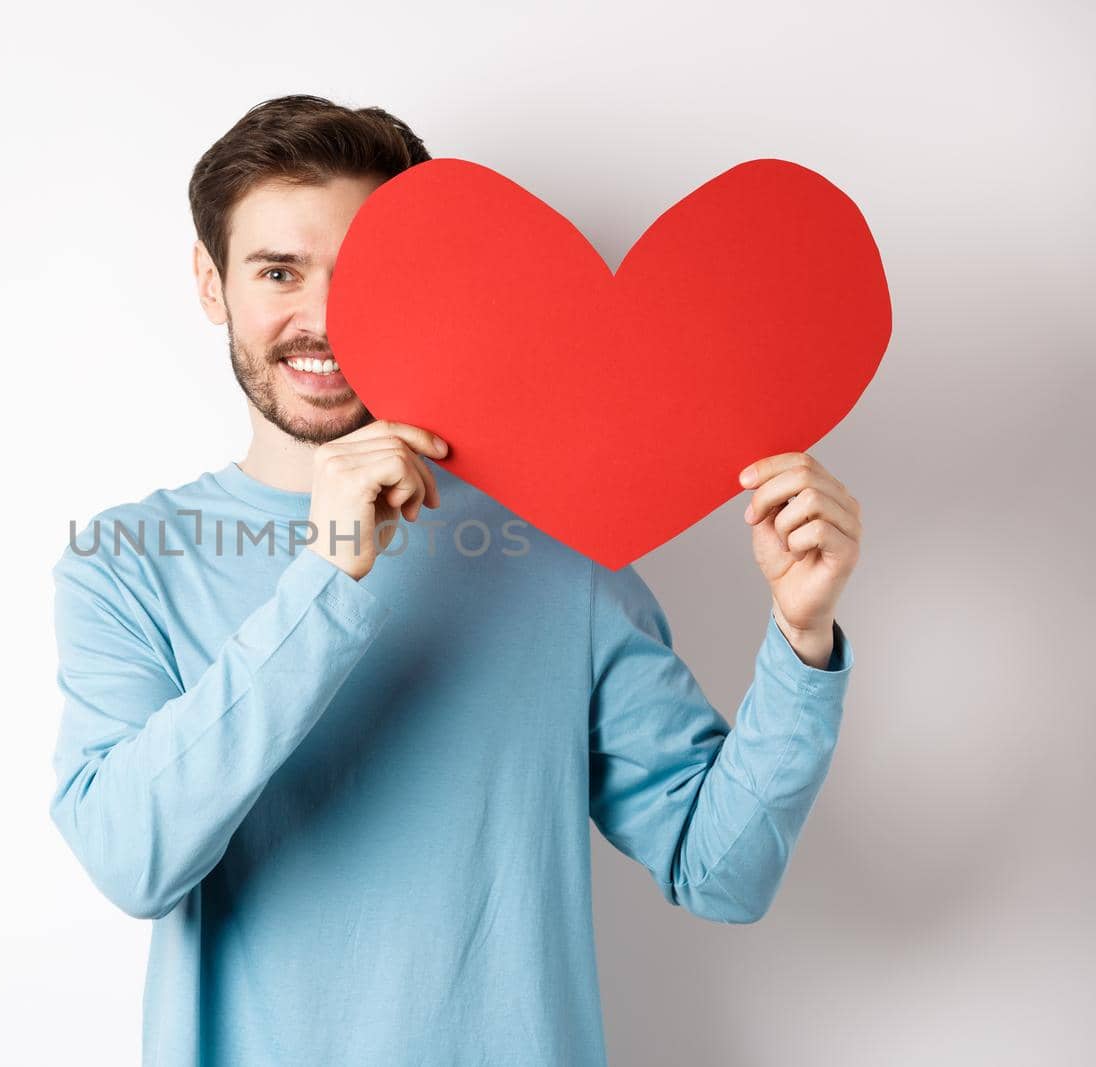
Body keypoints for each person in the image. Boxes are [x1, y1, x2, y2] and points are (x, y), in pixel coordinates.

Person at [48, 94, 860, 1066]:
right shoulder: (129, 564)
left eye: (358, 279)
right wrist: (329, 575)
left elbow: (719, 869)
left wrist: (800, 638)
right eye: (277, 271)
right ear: (211, 282)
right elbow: (132, 857)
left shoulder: (562, 548)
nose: (318, 319)